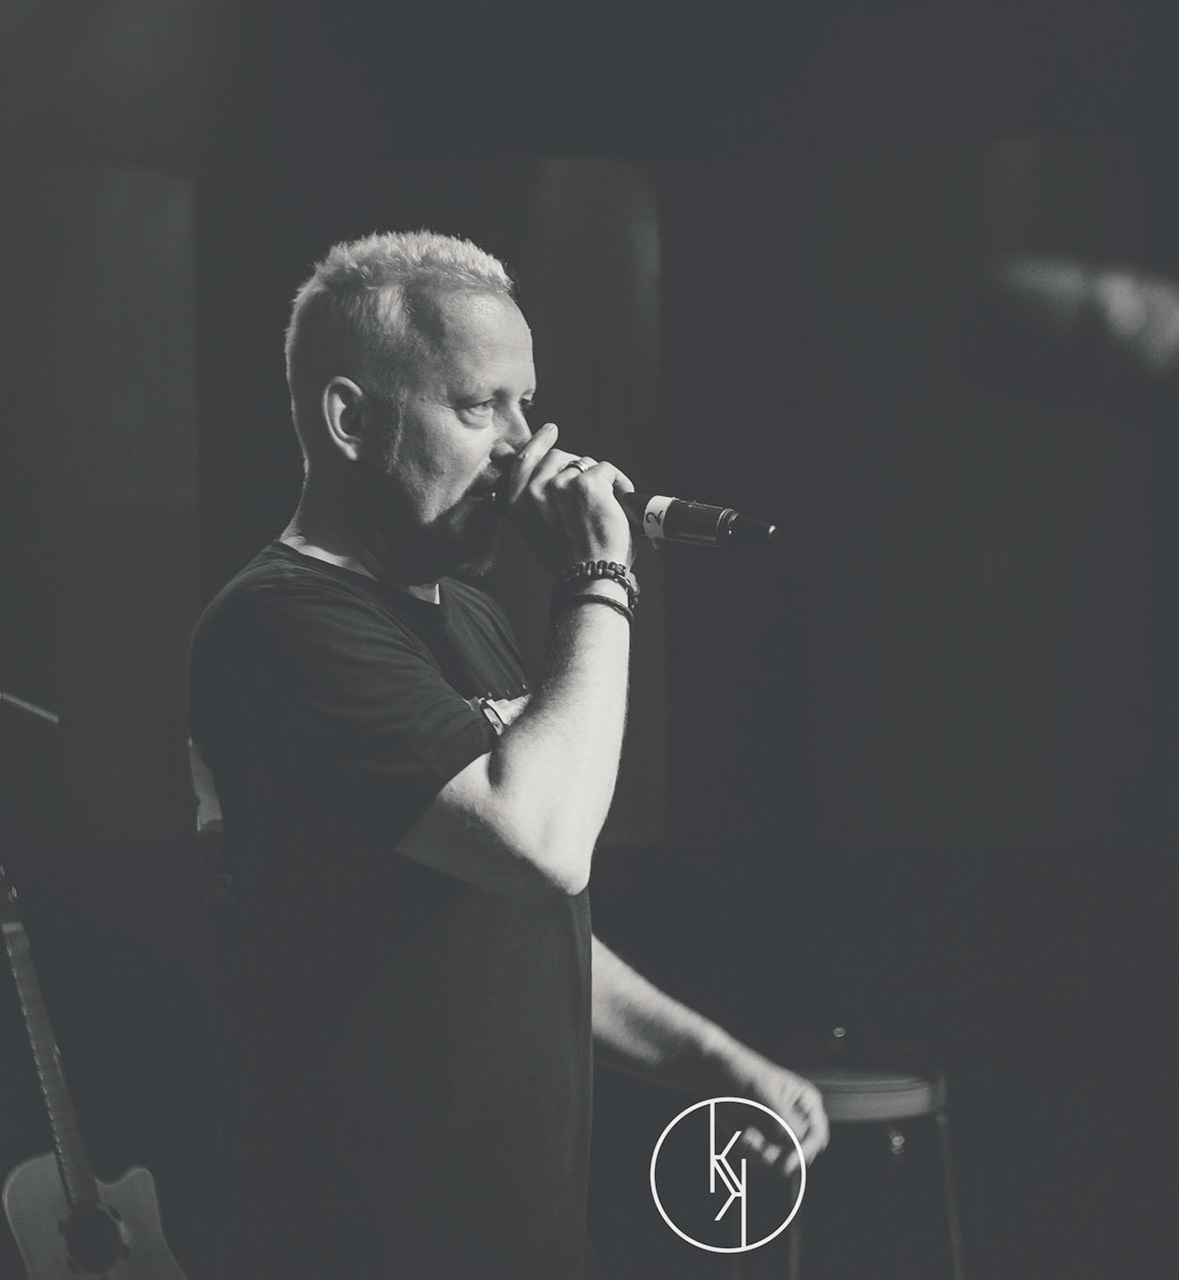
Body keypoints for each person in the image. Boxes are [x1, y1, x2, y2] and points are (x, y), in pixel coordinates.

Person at [188, 230, 829, 1277]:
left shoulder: (471, 614)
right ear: (352, 420)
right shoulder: (281, 624)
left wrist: (714, 1059)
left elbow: (515, 920)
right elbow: (542, 842)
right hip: (363, 1244)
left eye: (528, 405)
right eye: (481, 405)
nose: (524, 446)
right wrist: (599, 578)